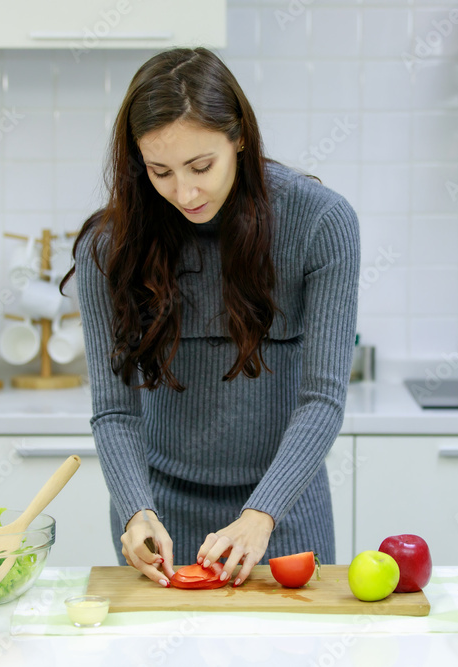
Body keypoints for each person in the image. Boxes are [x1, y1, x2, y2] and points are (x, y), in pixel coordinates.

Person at [61, 47, 360, 588]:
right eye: (161, 171)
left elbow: (323, 399)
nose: (185, 192)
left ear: (239, 136)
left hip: (283, 518)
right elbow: (114, 412)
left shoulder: (321, 223)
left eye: (202, 166)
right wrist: (135, 511)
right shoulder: (110, 247)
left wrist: (260, 514)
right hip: (160, 521)